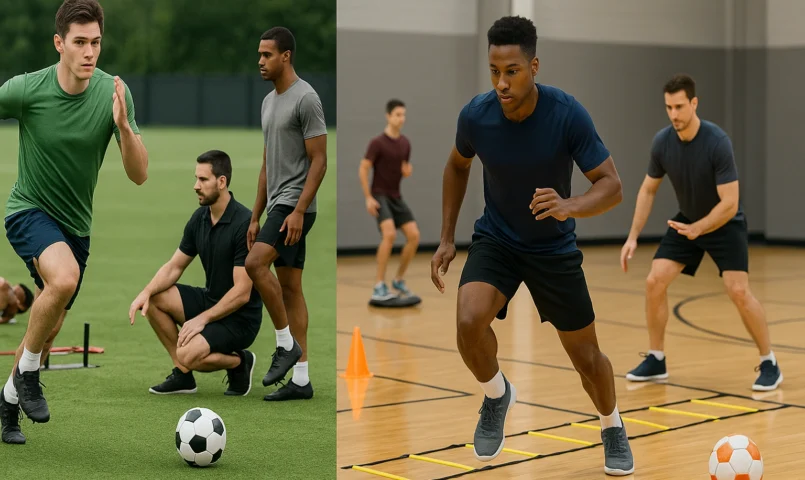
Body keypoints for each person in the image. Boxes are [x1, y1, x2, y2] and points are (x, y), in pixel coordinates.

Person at [430, 16, 634, 476]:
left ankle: (611, 425)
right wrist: (447, 236)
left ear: (534, 66)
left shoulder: (567, 114)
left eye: (512, 71)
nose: (501, 82)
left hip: (552, 248)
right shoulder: (476, 116)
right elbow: (457, 166)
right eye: (494, 71)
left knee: (586, 358)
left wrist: (569, 205)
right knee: (467, 321)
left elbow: (612, 185)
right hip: (497, 238)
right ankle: (497, 395)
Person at [0, 0, 148, 445]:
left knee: (45, 329)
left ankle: (7, 402)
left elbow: (139, 174)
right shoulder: (26, 89)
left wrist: (122, 126)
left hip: (76, 230)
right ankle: (28, 376)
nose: (89, 52)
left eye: (96, 42)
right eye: (80, 42)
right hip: (28, 211)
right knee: (64, 279)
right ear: (59, 43)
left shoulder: (113, 94)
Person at [620, 74, 782, 392]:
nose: (674, 114)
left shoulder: (716, 141)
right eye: (668, 107)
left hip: (724, 222)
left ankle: (769, 362)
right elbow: (648, 190)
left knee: (737, 290)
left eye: (680, 106)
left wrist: (699, 228)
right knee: (655, 280)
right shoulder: (662, 142)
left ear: (694, 103)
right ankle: (656, 359)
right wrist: (632, 236)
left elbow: (730, 202)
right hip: (688, 221)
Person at [129, 151, 260, 397]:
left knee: (187, 354)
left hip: (240, 319)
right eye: (196, 179)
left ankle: (240, 362)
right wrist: (145, 292)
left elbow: (242, 293)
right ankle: (183, 375)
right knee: (156, 298)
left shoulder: (244, 224)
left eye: (203, 180)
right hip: (212, 300)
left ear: (221, 182)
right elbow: (175, 266)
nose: (195, 186)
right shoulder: (200, 217)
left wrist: (202, 320)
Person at [245, 26, 328, 402]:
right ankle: (301, 379)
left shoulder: (306, 99)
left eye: (267, 55)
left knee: (254, 264)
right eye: (260, 55)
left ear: (286, 56)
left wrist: (297, 211)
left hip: (295, 205)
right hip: (276, 204)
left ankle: (285, 345)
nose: (260, 61)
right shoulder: (268, 102)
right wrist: (254, 215)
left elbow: (320, 161)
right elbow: (267, 164)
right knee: (291, 287)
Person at [359, 99, 420, 302]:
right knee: (390, 234)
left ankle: (398, 280)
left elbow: (403, 167)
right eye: (397, 115)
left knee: (414, 236)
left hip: (396, 196)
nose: (401, 118)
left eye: (403, 115)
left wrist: (406, 171)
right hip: (379, 195)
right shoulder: (377, 143)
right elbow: (364, 168)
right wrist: (368, 198)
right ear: (388, 116)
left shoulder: (406, 143)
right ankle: (378, 285)